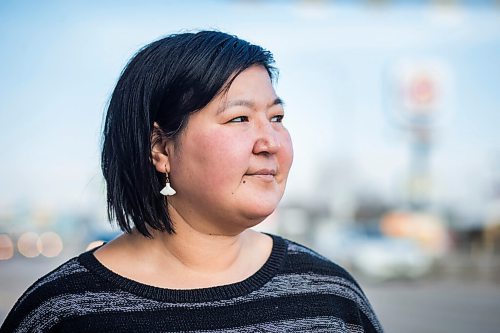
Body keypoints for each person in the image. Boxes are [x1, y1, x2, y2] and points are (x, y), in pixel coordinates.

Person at [1, 30, 383, 333]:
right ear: (161, 148)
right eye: (239, 118)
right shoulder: (63, 312)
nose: (271, 142)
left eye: (277, 117)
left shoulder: (329, 293)